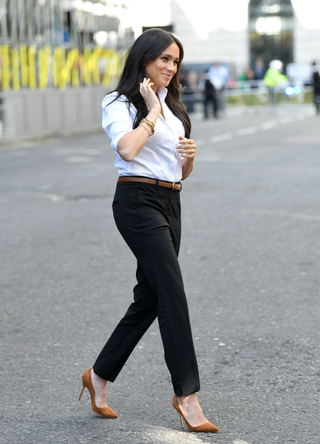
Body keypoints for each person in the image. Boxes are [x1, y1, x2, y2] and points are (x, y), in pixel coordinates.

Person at [78, 28, 219, 434]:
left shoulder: (175, 108)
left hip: (170, 201)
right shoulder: (119, 102)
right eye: (164, 60)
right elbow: (127, 149)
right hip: (136, 203)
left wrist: (189, 158)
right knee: (171, 291)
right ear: (144, 60)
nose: (171, 68)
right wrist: (152, 111)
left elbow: (179, 172)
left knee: (149, 297)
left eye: (175, 61)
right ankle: (186, 395)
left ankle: (98, 375)